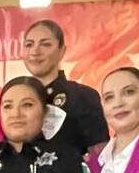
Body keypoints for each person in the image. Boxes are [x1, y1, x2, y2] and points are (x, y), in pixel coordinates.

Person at [21, 20, 108, 157]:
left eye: (45, 44)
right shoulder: (16, 98)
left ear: (62, 51)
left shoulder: (83, 96)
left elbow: (100, 155)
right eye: (29, 44)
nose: (35, 51)